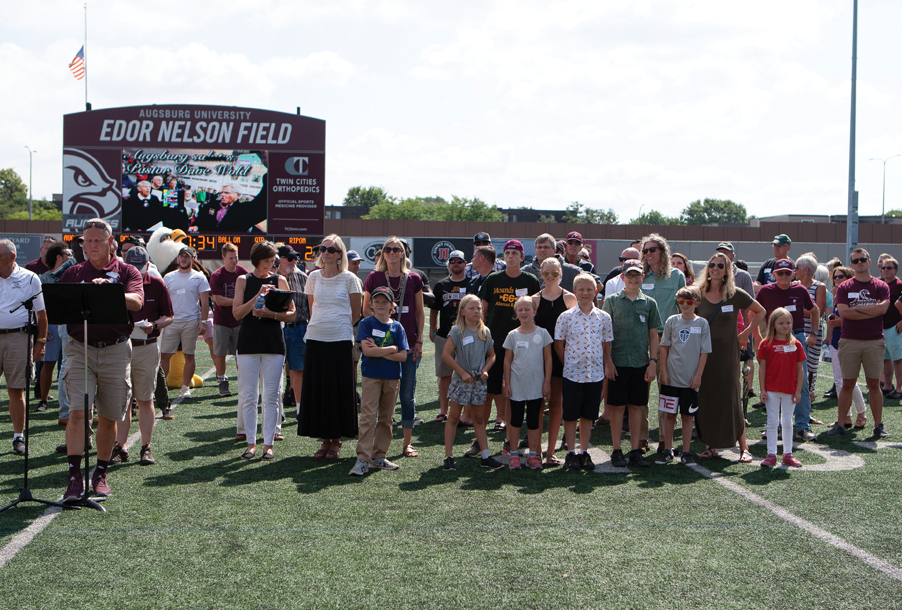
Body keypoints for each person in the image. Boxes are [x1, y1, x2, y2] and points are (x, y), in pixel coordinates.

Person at [58, 219, 143, 501]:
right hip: (80, 348)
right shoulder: (73, 273)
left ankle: (100, 473)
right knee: (78, 413)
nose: (91, 245)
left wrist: (110, 291)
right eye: (87, 240)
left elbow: (138, 302)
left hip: (116, 349)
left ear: (110, 243)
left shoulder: (127, 270)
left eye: (97, 240)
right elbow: (60, 306)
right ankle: (73, 476)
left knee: (109, 416)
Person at [694, 253, 763, 462]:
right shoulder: (698, 293)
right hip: (703, 355)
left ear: (727, 271)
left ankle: (744, 447)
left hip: (727, 356)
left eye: (720, 266)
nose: (716, 268)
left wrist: (746, 333)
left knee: (732, 399)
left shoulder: (735, 294)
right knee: (707, 399)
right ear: (708, 268)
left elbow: (760, 311)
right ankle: (711, 445)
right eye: (712, 264)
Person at [298, 235, 362, 457]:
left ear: (340, 255)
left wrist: (337, 325)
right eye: (322, 249)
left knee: (339, 391)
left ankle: (337, 441)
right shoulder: (313, 277)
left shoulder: (350, 279)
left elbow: (356, 313)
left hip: (341, 340)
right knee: (320, 391)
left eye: (331, 250)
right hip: (316, 339)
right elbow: (312, 309)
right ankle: (324, 439)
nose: (325, 252)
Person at [362, 236, 425, 457]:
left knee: (407, 396)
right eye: (387, 249)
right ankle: (371, 448)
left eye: (396, 249)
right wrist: (382, 334)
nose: (392, 252)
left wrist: (418, 341)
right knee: (377, 400)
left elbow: (419, 311)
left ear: (402, 253)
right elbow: (366, 310)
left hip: (406, 345)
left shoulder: (414, 278)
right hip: (379, 346)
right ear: (383, 253)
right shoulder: (374, 276)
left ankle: (406, 443)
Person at [110, 246, 173, 466]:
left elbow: (169, 316)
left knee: (145, 398)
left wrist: (155, 324)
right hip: (120, 345)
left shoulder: (156, 284)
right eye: (132, 267)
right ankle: (121, 446)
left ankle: (146, 447)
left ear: (148, 265)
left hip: (147, 345)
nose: (137, 271)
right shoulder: (116, 284)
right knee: (122, 401)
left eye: (141, 267)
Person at [232, 242, 294, 460]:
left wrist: (271, 314)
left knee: (270, 397)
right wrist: (257, 294)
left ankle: (268, 444)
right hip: (248, 344)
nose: (271, 265)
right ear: (257, 260)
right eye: (267, 261)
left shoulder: (280, 280)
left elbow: (292, 314)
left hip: (273, 345)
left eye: (272, 261)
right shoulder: (243, 280)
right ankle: (251, 443)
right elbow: (237, 314)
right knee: (248, 396)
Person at [478, 240, 541, 436]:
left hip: (522, 344)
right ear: (503, 257)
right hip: (495, 342)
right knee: (491, 389)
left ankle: (508, 428)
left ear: (522, 257)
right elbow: (483, 310)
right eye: (508, 253)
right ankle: (481, 433)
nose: (511, 256)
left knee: (513, 389)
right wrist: (483, 335)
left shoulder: (530, 281)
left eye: (515, 253)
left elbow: (535, 311)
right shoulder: (493, 279)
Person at [826, 248, 891, 438]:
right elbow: (844, 313)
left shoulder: (880, 286)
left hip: (874, 340)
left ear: (870, 262)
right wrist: (873, 309)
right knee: (847, 384)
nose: (859, 263)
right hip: (849, 340)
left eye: (863, 259)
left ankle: (878, 425)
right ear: (851, 264)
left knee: (874, 384)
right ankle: (840, 424)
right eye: (855, 261)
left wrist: (858, 310)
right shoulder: (845, 287)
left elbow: (884, 309)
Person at [602, 261, 659, 467]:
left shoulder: (650, 303)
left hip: (640, 363)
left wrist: (653, 362)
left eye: (637, 276)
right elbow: (605, 335)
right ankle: (617, 450)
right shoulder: (612, 301)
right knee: (617, 407)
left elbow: (654, 335)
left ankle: (635, 450)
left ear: (642, 278)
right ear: (622, 278)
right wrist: (608, 362)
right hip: (617, 362)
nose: (633, 279)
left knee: (637, 406)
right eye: (630, 275)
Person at [754, 259, 819, 441]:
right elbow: (756, 313)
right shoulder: (766, 291)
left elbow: (815, 310)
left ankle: (802, 426)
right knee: (773, 381)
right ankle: (774, 426)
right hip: (772, 339)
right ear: (773, 274)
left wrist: (813, 334)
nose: (784, 276)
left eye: (787, 273)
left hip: (795, 337)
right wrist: (760, 337)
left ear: (794, 274)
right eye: (780, 273)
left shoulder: (800, 290)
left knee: (801, 381)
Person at [554, 273, 612, 470]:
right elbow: (559, 345)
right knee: (570, 415)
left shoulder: (604, 317)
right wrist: (568, 364)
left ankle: (584, 452)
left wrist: (607, 365)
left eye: (589, 289)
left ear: (595, 291)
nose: (586, 293)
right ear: (575, 292)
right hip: (572, 375)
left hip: (594, 375)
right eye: (581, 289)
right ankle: (571, 453)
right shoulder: (565, 317)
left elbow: (606, 344)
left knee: (588, 415)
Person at [349, 286, 408, 476]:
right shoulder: (366, 323)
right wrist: (392, 349)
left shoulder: (397, 327)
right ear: (371, 305)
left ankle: (378, 456)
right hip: (371, 376)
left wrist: (384, 351)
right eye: (376, 302)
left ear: (392, 305)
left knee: (386, 418)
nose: (380, 305)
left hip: (392, 378)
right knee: (367, 416)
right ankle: (362, 458)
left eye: (384, 302)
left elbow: (403, 356)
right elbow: (368, 352)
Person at [441, 294, 502, 471]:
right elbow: (446, 355)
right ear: (462, 311)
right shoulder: (456, 331)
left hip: (478, 382)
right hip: (461, 382)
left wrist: (485, 370)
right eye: (472, 308)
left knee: (479, 418)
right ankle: (448, 456)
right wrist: (461, 372)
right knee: (453, 418)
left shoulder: (485, 331)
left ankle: (485, 455)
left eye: (479, 308)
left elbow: (492, 355)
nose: (476, 311)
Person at [0, 239, 47, 456]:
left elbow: (41, 314)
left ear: (12, 257)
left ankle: (18, 437)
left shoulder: (30, 279)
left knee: (16, 390)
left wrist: (41, 342)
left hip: (19, 337)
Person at [658, 286, 711, 465]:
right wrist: (663, 371)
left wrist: (698, 376)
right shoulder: (672, 321)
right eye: (681, 301)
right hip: (671, 378)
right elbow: (664, 347)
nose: (685, 305)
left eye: (689, 302)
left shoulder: (702, 323)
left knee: (687, 417)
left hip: (690, 380)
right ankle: (667, 449)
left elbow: (705, 352)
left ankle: (686, 452)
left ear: (696, 303)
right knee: (669, 415)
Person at [532, 257, 577, 465]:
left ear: (560, 274)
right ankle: (536, 451)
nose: (550, 276)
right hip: (538, 358)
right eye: (546, 273)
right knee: (537, 406)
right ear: (541, 273)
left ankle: (551, 451)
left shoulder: (569, 299)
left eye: (554, 273)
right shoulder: (535, 300)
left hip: (561, 358)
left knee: (557, 406)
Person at [503, 296, 553, 469]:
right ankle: (514, 454)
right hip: (517, 386)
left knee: (534, 421)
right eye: (520, 309)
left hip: (536, 386)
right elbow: (507, 361)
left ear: (534, 311)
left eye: (527, 309)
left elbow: (548, 359)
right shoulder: (512, 335)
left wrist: (547, 382)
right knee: (515, 420)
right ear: (516, 313)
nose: (524, 312)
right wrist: (507, 383)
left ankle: (533, 455)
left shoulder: (543, 333)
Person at [757, 307, 807, 468]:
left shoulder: (796, 344)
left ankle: (788, 454)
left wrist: (798, 390)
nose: (785, 326)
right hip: (771, 389)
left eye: (788, 322)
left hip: (789, 390)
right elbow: (762, 368)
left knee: (787, 422)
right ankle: (771, 455)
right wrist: (763, 390)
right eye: (781, 323)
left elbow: (800, 370)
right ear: (773, 324)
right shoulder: (766, 344)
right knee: (772, 422)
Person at [160, 246, 210, 402]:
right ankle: (161, 388)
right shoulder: (168, 277)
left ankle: (185, 388)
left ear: (192, 259)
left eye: (186, 256)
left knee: (189, 355)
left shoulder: (199, 277)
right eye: (181, 256)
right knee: (165, 355)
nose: (183, 259)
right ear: (177, 258)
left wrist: (203, 322)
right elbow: (163, 299)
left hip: (190, 321)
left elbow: (204, 301)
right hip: (172, 321)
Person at [825, 266, 868, 429]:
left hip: (851, 340)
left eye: (840, 276)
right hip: (837, 340)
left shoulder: (855, 294)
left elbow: (861, 318)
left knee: (849, 380)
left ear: (849, 277)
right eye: (835, 277)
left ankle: (861, 412)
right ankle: (846, 417)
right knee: (838, 381)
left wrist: (841, 322)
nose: (836, 279)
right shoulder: (837, 294)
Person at [430, 250, 470, 422]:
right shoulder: (440, 285)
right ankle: (443, 410)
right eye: (452, 261)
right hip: (444, 336)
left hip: (466, 335)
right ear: (448, 264)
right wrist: (433, 330)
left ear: (465, 264)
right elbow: (434, 310)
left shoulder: (472, 283)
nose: (456, 264)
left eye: (459, 261)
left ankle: (464, 412)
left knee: (466, 373)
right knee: (444, 374)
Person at [33, 241, 69, 412]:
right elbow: (38, 307)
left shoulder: (73, 275)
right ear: (58, 257)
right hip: (52, 326)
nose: (71, 257)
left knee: (69, 364)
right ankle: (43, 399)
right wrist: (43, 327)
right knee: (48, 364)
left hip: (70, 325)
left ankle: (68, 401)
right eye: (67, 255)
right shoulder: (44, 279)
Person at [209, 242, 248, 399]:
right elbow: (218, 300)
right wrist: (239, 302)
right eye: (231, 258)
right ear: (223, 257)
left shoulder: (242, 272)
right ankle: (222, 381)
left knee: (242, 353)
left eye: (236, 257)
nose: (234, 261)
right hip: (222, 320)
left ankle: (243, 381)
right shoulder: (216, 276)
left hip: (239, 320)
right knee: (220, 353)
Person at [276, 245, 309, 416]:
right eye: (289, 258)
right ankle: (277, 410)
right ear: (279, 259)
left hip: (298, 328)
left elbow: (310, 305)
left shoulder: (303, 277)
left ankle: (299, 410)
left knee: (298, 371)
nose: (294, 261)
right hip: (275, 329)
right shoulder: (270, 277)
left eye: (295, 257)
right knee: (275, 371)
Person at [795, 254, 827, 397]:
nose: (794, 270)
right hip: (795, 330)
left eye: (797, 267)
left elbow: (818, 311)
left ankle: (809, 395)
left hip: (812, 331)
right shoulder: (794, 285)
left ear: (806, 270)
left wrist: (796, 309)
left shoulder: (819, 286)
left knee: (810, 365)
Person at [193, 184, 264, 233]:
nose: (222, 195)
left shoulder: (243, 210)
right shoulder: (210, 205)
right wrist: (196, 226)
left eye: (227, 193)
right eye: (221, 192)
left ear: (238, 195)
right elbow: (200, 219)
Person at [879, 257, 902, 399]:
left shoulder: (899, 284)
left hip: (894, 327)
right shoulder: (880, 284)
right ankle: (888, 385)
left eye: (889, 268)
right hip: (881, 327)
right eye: (883, 267)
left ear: (896, 270)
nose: (885, 270)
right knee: (885, 358)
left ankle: (899, 389)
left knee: (898, 359)